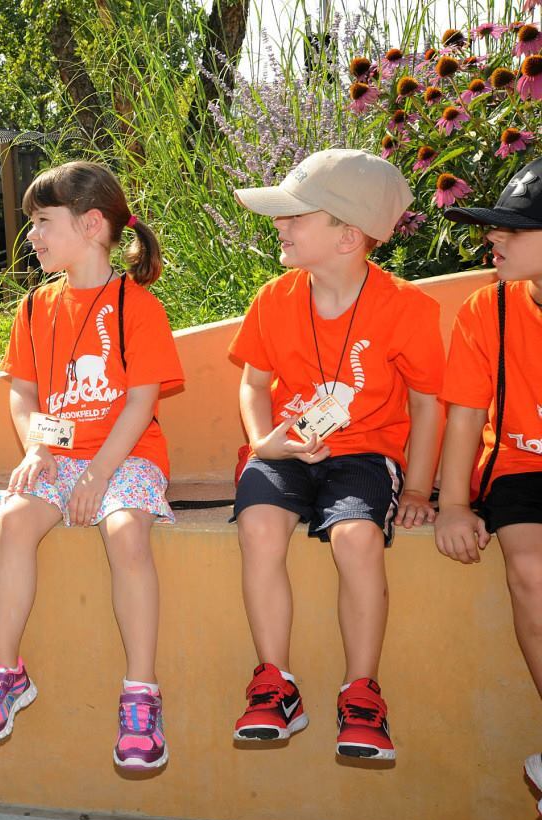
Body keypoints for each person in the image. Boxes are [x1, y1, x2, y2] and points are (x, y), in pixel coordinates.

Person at [0, 161, 184, 770]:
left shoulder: (137, 306)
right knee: (14, 520)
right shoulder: (36, 306)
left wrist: (98, 475)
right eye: (31, 223)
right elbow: (23, 392)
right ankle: (5, 674)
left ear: (90, 225)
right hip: (58, 455)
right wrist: (37, 447)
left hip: (125, 456)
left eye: (42, 222)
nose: (31, 235)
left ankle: (141, 693)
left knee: (126, 532)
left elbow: (141, 403)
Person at [228, 149, 444, 761]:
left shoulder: (406, 308)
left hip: (364, 456)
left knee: (356, 538)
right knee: (257, 523)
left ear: (349, 237)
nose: (280, 225)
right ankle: (275, 682)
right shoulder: (275, 297)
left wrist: (420, 488)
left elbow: (428, 405)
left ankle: (362, 692)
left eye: (296, 216)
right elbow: (252, 384)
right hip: (287, 449)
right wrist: (264, 441)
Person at [435, 157, 542, 815]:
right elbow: (465, 417)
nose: (493, 238)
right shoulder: (488, 310)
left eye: (514, 228)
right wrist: (451, 504)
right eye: (493, 225)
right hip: (521, 468)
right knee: (530, 571)